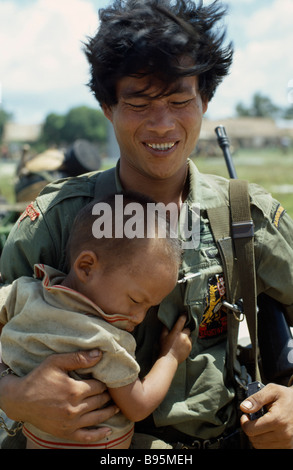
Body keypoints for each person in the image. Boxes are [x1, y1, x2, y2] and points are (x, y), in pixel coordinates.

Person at [0, 0, 293, 450]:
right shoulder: (57, 221)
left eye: (179, 100)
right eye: (139, 102)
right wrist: (14, 396)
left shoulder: (244, 216)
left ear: (205, 101)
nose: (162, 124)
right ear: (107, 106)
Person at [0, 193, 191, 449]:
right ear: (86, 267)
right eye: (136, 300)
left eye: (150, 307)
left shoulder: (25, 293)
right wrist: (170, 357)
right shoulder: (104, 341)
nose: (139, 317)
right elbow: (138, 406)